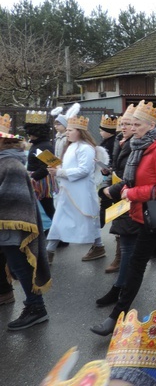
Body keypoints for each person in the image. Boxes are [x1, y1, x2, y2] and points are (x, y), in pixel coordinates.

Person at [90, 100, 156, 337]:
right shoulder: (139, 145)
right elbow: (132, 179)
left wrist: (131, 194)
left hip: (151, 213)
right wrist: (115, 191)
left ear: (150, 125)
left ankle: (116, 316)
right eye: (131, 124)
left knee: (136, 264)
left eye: (136, 124)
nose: (131, 128)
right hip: (141, 211)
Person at [0, 114, 52, 330]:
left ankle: (36, 307)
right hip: (7, 221)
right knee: (14, 264)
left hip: (14, 222)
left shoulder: (12, 162)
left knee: (20, 265)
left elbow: (9, 196)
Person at [46, 114, 108, 263]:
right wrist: (56, 168)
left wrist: (60, 172)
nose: (67, 133)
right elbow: (70, 166)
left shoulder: (86, 148)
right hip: (68, 191)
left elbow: (84, 170)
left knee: (87, 218)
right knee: (59, 219)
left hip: (81, 191)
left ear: (80, 131)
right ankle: (49, 251)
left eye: (70, 130)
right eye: (66, 130)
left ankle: (98, 246)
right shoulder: (71, 146)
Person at [96, 106, 140, 305]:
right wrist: (109, 170)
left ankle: (120, 288)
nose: (123, 127)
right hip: (121, 195)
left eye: (129, 124)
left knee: (129, 242)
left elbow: (134, 176)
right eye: (122, 124)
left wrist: (111, 190)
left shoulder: (136, 145)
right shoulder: (120, 142)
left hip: (130, 197)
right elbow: (120, 167)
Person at [24, 111, 57, 221]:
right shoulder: (38, 144)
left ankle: (60, 230)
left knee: (49, 210)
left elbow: (47, 167)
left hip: (40, 182)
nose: (29, 136)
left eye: (31, 133)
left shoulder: (44, 146)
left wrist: (32, 178)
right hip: (37, 179)